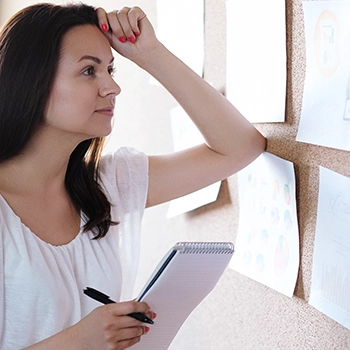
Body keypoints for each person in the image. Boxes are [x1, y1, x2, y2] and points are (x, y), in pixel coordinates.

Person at [0, 2, 266, 349]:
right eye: (88, 71)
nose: (112, 87)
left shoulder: (106, 185)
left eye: (111, 69)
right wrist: (80, 341)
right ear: (31, 80)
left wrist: (151, 53)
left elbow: (240, 146)